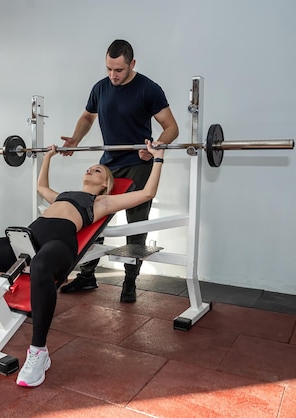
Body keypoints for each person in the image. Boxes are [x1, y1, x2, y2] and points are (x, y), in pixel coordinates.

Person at [0, 140, 166, 388]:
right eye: (89, 168)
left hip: (59, 244)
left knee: (40, 266)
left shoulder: (102, 202)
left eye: (97, 170)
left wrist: (158, 158)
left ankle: (39, 351)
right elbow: (41, 186)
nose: (90, 170)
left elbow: (147, 193)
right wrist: (49, 156)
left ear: (105, 184)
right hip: (27, 239)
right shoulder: (62, 195)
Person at [59, 39, 179, 303]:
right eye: (109, 69)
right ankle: (88, 275)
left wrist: (157, 146)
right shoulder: (100, 88)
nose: (113, 75)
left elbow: (172, 127)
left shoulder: (149, 89)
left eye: (119, 70)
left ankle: (130, 281)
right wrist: (76, 139)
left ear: (132, 64)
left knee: (136, 224)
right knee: (92, 218)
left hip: (138, 163)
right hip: (109, 164)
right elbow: (88, 116)